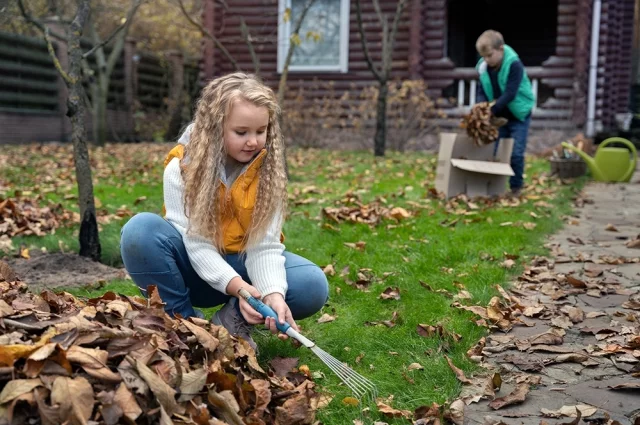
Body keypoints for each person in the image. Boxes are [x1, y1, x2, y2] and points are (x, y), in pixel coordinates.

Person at [119, 72, 329, 351]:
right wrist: (238, 287)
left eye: (260, 131)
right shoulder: (182, 169)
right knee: (140, 230)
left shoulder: (269, 175)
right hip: (189, 269)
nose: (253, 142)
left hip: (239, 264)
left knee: (311, 284)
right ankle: (183, 325)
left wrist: (272, 294)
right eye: (241, 132)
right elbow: (196, 242)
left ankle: (230, 323)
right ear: (215, 128)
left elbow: (264, 246)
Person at [475, 30, 535, 196]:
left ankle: (516, 187)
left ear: (500, 49)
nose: (487, 60)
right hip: (500, 115)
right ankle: (496, 188)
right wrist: (481, 106)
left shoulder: (514, 64)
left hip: (518, 114)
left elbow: (510, 93)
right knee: (497, 151)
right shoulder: (483, 67)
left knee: (515, 153)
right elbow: (481, 90)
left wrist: (491, 110)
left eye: (489, 55)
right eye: (484, 56)